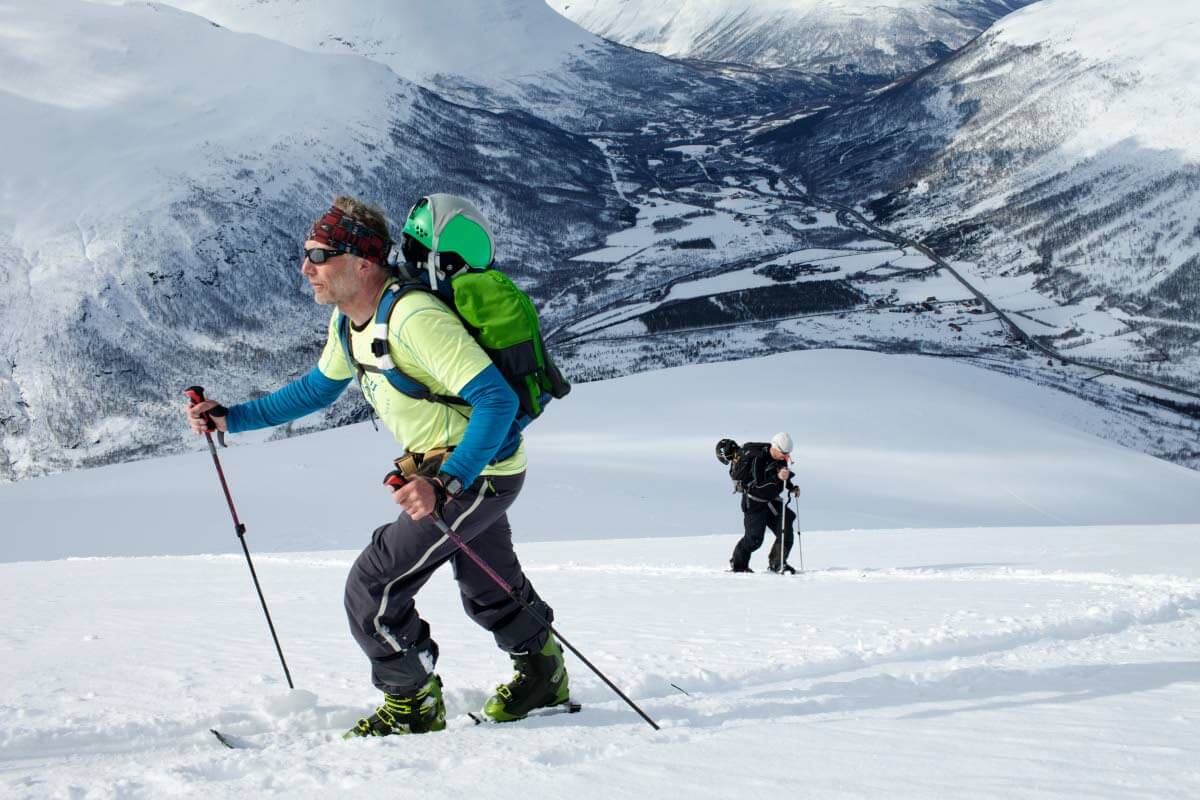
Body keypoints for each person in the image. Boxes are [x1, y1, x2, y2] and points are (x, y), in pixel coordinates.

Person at [185, 194, 569, 737]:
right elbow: (317, 389)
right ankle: (543, 679)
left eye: (320, 256)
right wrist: (233, 418)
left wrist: (446, 482)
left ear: (363, 262)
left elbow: (496, 399)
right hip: (467, 472)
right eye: (306, 254)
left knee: (373, 586)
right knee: (489, 586)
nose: (306, 268)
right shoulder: (350, 322)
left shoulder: (414, 319)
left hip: (473, 474)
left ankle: (412, 705)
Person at [728, 432, 800, 574]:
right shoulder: (758, 459)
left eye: (787, 454)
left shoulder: (782, 459)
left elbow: (783, 478)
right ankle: (738, 565)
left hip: (772, 501)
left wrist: (791, 487)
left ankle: (777, 564)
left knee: (786, 529)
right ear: (775, 447)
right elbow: (759, 485)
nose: (785, 457)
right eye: (783, 453)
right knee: (754, 539)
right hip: (754, 502)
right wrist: (778, 477)